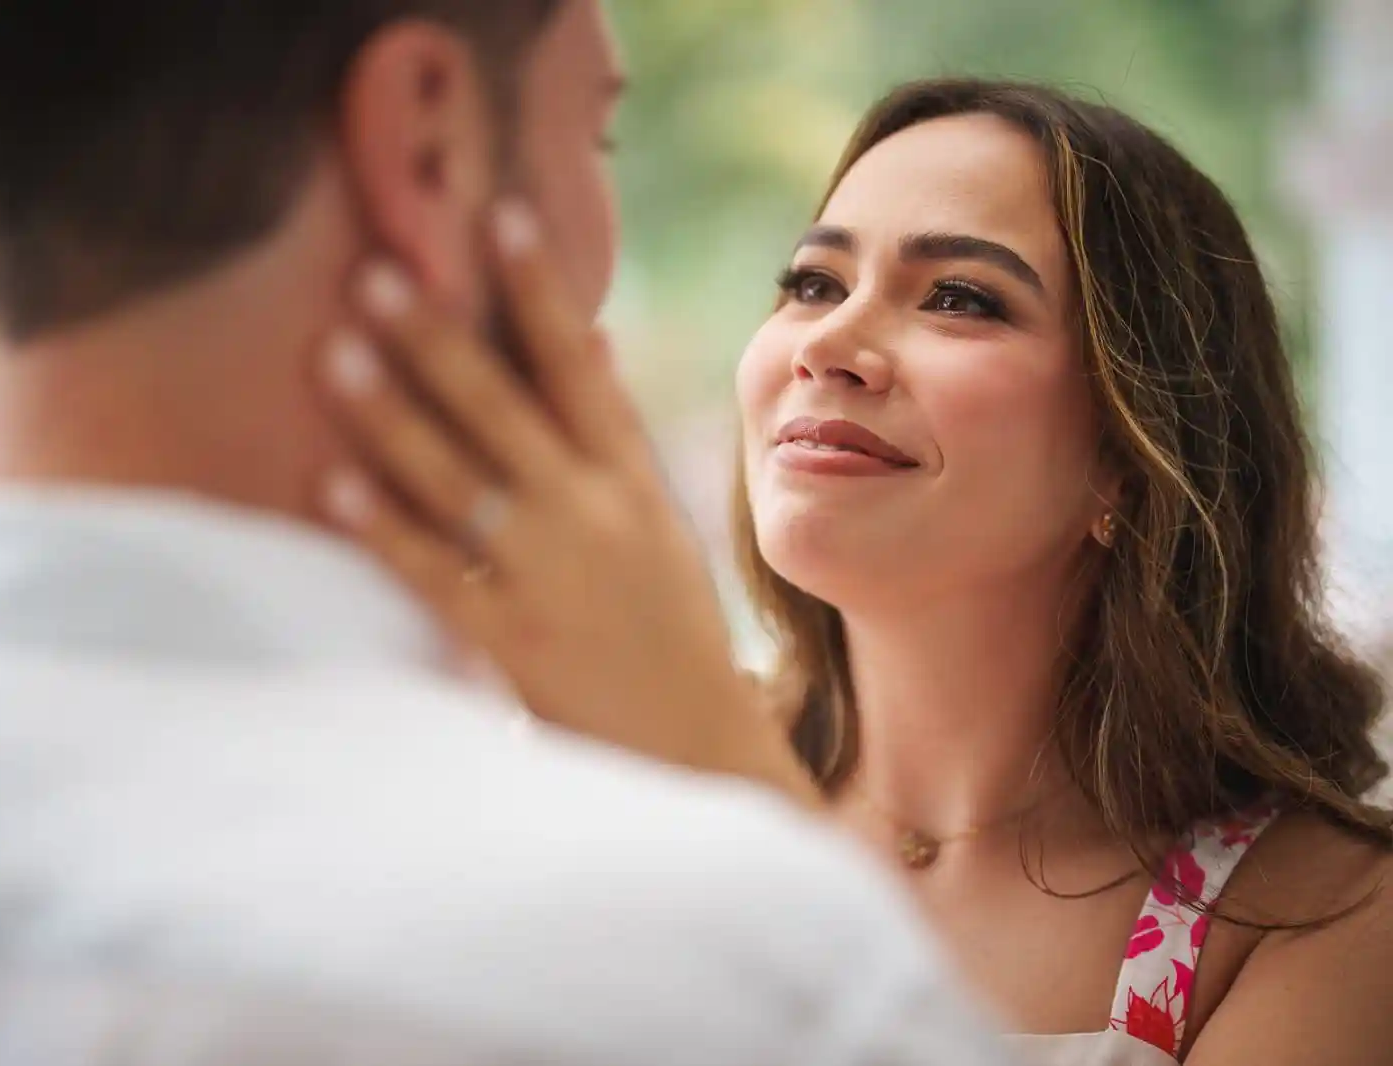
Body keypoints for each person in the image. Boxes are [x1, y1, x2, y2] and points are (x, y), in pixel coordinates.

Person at [0, 5, 1012, 1065]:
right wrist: (748, 824)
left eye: (961, 297)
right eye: (594, 137)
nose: (825, 345)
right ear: (424, 141)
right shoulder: (739, 972)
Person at [312, 78, 1393, 1064]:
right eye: (812, 281)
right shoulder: (590, 774)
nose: (827, 343)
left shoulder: (1323, 914)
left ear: (1131, 448)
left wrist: (724, 793)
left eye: (960, 298)